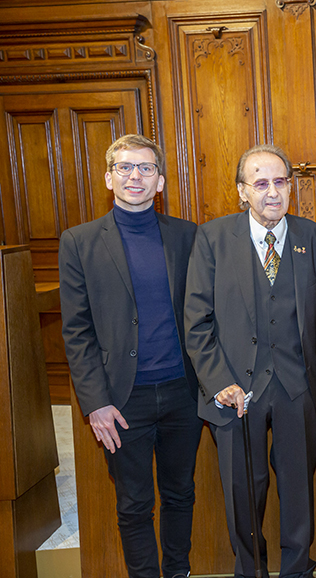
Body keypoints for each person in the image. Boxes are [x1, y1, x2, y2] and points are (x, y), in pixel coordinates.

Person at [184, 143, 316, 578]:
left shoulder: (314, 237)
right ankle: (250, 572)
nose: (273, 192)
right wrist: (218, 383)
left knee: (297, 490)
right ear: (242, 191)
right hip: (234, 391)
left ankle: (297, 570)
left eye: (281, 181)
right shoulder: (212, 238)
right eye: (261, 183)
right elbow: (197, 321)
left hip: (295, 388)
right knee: (242, 491)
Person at [59, 134, 203, 578]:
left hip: (183, 393)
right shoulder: (79, 242)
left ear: (160, 181)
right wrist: (95, 402)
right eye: (125, 167)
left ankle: (178, 571)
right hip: (121, 400)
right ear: (109, 177)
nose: (134, 176)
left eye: (144, 168)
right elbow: (76, 330)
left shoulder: (188, 235)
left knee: (181, 494)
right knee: (135, 503)